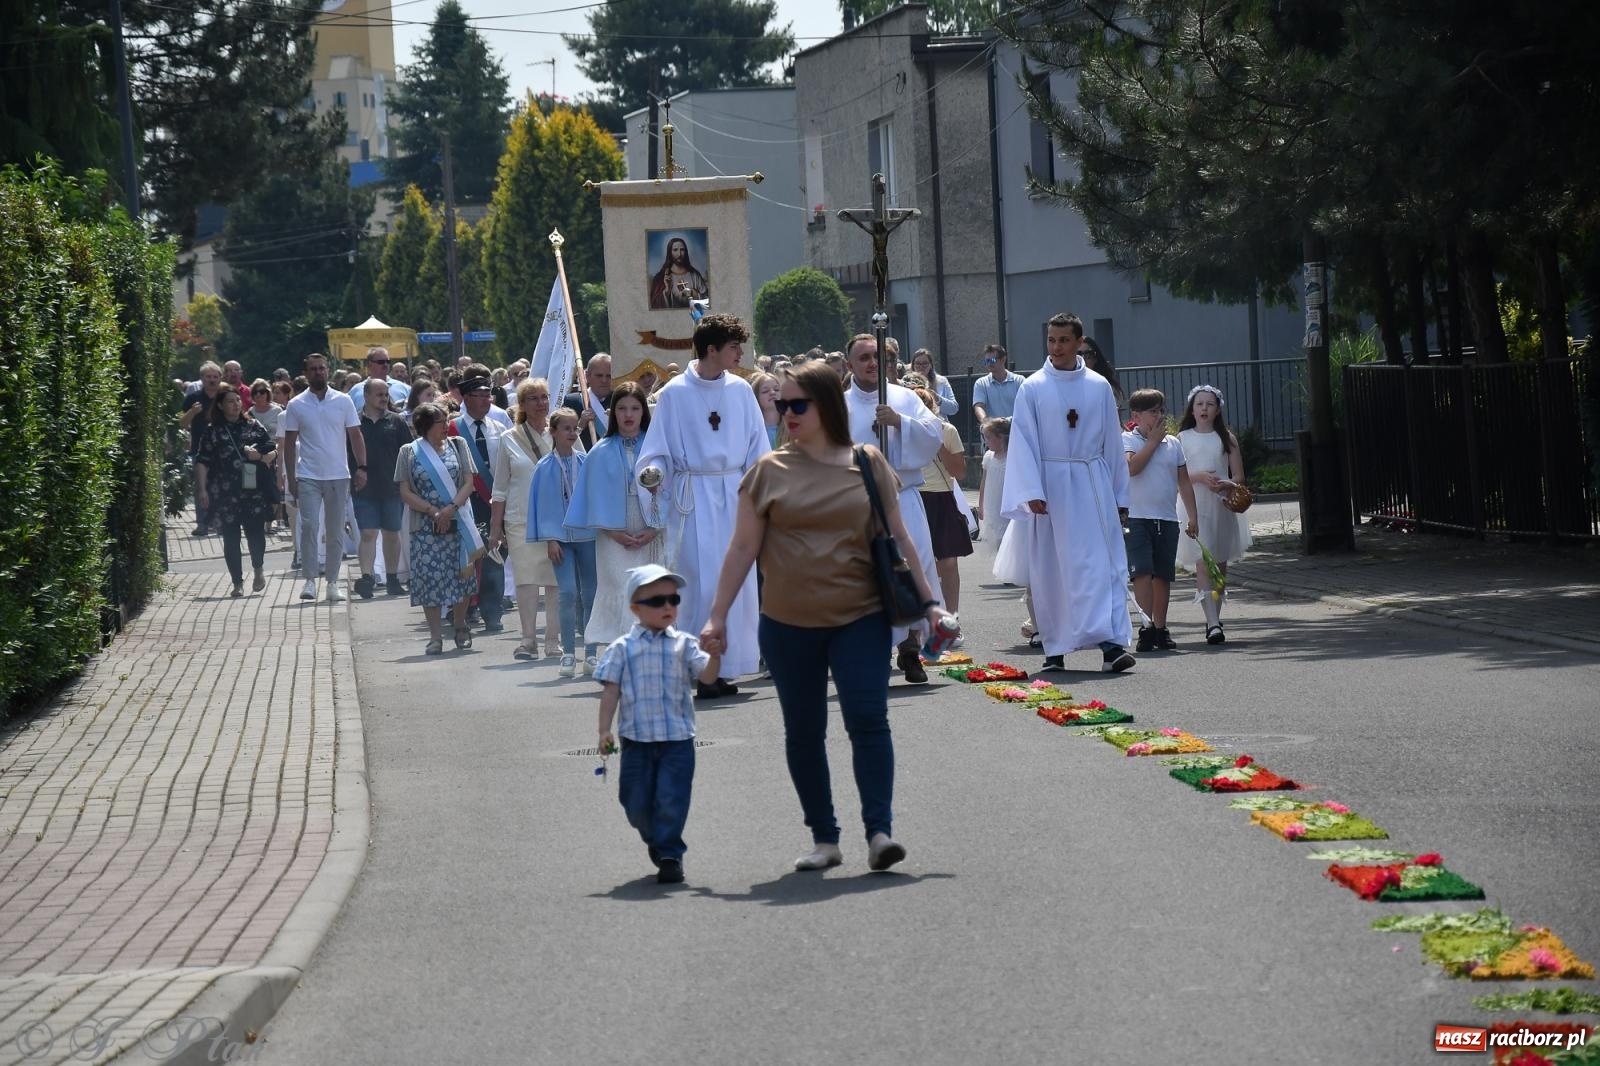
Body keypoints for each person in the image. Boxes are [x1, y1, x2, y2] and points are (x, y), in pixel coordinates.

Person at [702, 362, 951, 873]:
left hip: (859, 617)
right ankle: (825, 839)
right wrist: (717, 617)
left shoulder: (867, 461)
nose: (786, 413)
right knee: (804, 730)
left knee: (868, 719)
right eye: (781, 405)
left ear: (826, 407)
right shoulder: (767, 471)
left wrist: (930, 604)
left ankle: (880, 832)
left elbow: (901, 537)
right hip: (788, 624)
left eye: (798, 405)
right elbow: (742, 547)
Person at [635, 314, 770, 698]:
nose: (740, 353)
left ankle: (723, 669)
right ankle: (697, 668)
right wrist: (652, 476)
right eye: (733, 347)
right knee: (699, 585)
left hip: (734, 494)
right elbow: (656, 452)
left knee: (738, 586)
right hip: (692, 500)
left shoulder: (742, 391)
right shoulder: (675, 394)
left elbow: (759, 448)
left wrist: (764, 493)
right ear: (712, 349)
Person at [1002, 313, 1135, 674]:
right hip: (1050, 488)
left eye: (1063, 340)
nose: (1056, 347)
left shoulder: (1098, 386)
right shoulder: (1033, 387)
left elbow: (1111, 441)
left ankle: (1110, 646)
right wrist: (1030, 489)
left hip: (1091, 484)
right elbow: (1023, 441)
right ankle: (1055, 649)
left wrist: (1120, 497)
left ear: (1079, 342)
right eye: (1051, 340)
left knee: (1098, 566)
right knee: (1053, 570)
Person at [596, 564, 722, 885]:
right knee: (634, 801)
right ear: (635, 608)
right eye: (656, 601)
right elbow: (611, 690)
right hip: (636, 742)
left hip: (678, 740)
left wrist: (715, 656)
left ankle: (669, 853)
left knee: (672, 797)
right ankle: (656, 837)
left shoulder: (685, 644)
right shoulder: (623, 648)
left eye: (673, 600)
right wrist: (604, 731)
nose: (667, 606)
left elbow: (707, 676)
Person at [841, 334, 945, 684]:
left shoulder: (904, 398)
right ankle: (877, 651)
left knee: (914, 571)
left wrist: (901, 422)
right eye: (863, 358)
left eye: (876, 357)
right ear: (850, 364)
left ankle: (911, 649)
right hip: (859, 502)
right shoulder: (839, 405)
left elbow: (934, 434)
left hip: (904, 496)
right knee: (869, 578)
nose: (871, 363)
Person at [566, 382, 664, 669]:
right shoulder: (599, 451)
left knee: (649, 588)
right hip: (612, 533)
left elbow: (670, 490)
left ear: (644, 411)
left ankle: (652, 655)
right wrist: (613, 533)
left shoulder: (657, 448)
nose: (628, 414)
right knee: (621, 587)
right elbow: (591, 498)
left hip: (651, 526)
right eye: (622, 408)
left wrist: (655, 529)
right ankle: (625, 656)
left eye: (635, 408)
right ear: (613, 414)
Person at [395, 402, 480, 654]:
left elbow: (468, 482)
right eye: (441, 422)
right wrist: (433, 512)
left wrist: (450, 509)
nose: (446, 426)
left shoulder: (458, 445)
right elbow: (404, 491)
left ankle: (460, 623)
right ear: (426, 426)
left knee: (462, 575)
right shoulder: (408, 451)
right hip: (425, 525)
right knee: (430, 579)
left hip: (458, 519)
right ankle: (435, 637)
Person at [283, 353, 367, 603]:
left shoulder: (343, 401)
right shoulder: (296, 404)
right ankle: (309, 579)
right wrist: (291, 478)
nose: (318, 372)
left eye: (322, 368)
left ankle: (332, 582)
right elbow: (288, 444)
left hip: (338, 474)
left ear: (328, 371)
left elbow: (355, 435)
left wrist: (362, 467)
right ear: (306, 373)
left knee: (335, 530)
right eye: (313, 369)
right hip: (308, 474)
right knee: (309, 525)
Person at [489, 378, 561, 660]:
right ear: (522, 404)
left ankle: (553, 641)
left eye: (544, 397)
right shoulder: (509, 439)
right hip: (520, 520)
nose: (541, 403)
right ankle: (528, 640)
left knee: (556, 582)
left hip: (558, 520)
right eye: (534, 398)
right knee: (527, 581)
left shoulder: (563, 432)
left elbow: (580, 471)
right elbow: (499, 488)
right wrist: (495, 528)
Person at [1124, 389, 1199, 651]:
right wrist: (1152, 443)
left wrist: (1193, 515)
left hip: (1166, 517)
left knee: (1163, 575)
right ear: (1137, 415)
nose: (1159, 416)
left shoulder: (1174, 444)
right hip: (1137, 517)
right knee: (1142, 572)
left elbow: (1184, 481)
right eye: (1152, 411)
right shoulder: (1128, 440)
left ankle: (1160, 626)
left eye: (1161, 410)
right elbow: (1131, 469)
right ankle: (1145, 627)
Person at [1176, 384, 1252, 645]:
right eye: (1199, 404)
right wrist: (1197, 476)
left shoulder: (1227, 438)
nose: (1204, 408)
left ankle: (1215, 617)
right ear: (1192, 409)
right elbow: (1177, 476)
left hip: (1220, 505)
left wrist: (1225, 483)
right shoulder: (1182, 438)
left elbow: (1239, 476)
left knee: (1219, 564)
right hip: (1194, 504)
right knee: (1203, 562)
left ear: (1218, 409)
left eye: (1209, 404)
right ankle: (1211, 622)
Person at [528, 409, 598, 676]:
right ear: (553, 432)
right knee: (567, 594)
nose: (572, 433)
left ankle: (591, 654)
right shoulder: (544, 468)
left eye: (574, 428)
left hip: (588, 535)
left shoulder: (586, 462)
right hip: (561, 540)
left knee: (590, 595)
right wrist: (550, 539)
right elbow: (542, 506)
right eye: (566, 428)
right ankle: (568, 653)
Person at [194, 385, 277, 597]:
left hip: (252, 490)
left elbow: (272, 448)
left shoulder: (253, 425)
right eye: (230, 401)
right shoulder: (213, 431)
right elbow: (202, 461)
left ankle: (258, 569)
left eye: (238, 400)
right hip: (224, 492)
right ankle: (237, 582)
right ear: (220, 405)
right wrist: (202, 489)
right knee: (231, 537)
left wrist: (259, 454)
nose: (236, 404)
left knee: (255, 534)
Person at [447, 374, 508, 633]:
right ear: (466, 398)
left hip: (495, 502)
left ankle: (492, 611)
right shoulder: (452, 428)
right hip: (467, 502)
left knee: (495, 554)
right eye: (480, 395)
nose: (486, 400)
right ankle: (466, 606)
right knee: (468, 556)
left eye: (488, 395)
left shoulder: (498, 428)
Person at [913, 385, 973, 621]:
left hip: (942, 497)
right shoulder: (900, 431)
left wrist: (936, 440)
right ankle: (921, 622)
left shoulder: (947, 431)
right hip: (914, 497)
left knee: (948, 562)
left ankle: (951, 618)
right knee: (916, 562)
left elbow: (959, 471)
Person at [352, 378, 413, 599]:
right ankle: (367, 577)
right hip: (364, 488)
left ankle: (392, 578)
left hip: (391, 487)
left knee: (391, 533)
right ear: (366, 396)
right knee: (368, 532)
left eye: (386, 394)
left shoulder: (396, 422)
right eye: (379, 394)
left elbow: (408, 453)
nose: (384, 398)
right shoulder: (354, 422)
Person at [181, 361, 224, 534]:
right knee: (201, 486)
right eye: (208, 377)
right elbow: (181, 424)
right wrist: (192, 413)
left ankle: (221, 522)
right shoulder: (193, 398)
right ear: (202, 378)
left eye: (215, 377)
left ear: (220, 378)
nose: (212, 380)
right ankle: (203, 523)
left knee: (222, 485)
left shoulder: (225, 397)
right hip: (199, 451)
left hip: (222, 450)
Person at [564, 353, 615, 451]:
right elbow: (562, 442)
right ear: (587, 376)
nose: (604, 380)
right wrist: (580, 425)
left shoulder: (620, 401)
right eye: (599, 376)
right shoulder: (573, 402)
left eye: (609, 376)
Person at [648, 235, 709, 310]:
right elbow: (653, 304)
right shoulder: (660, 277)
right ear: (669, 252)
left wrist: (695, 294)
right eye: (675, 250)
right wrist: (666, 292)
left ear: (686, 252)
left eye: (682, 250)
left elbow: (707, 300)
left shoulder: (695, 275)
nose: (679, 254)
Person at [976, 417, 1011, 548]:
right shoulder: (988, 457)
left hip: (1005, 504)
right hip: (992, 505)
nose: (986, 441)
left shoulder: (1011, 457)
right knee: (996, 541)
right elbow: (983, 482)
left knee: (1007, 541)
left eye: (989, 438)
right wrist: (981, 505)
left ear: (1001, 437)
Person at [971, 343, 1021, 424]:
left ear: (1003, 359)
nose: (989, 364)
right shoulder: (981, 383)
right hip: (992, 432)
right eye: (987, 361)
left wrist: (1008, 422)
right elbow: (979, 406)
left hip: (1014, 429)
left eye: (992, 360)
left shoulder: (1019, 381)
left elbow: (1025, 406)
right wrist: (987, 423)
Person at [1080, 337, 1126, 413]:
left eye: (1088, 354)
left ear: (1096, 358)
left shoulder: (1106, 386)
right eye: (1078, 354)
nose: (1083, 359)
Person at [910, 348, 958, 417]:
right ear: (913, 366)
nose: (921, 367)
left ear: (931, 365)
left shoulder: (941, 381)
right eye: (917, 364)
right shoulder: (907, 382)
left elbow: (954, 408)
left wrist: (937, 398)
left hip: (940, 423)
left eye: (925, 363)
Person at [750, 371, 782, 449]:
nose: (772, 392)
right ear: (756, 397)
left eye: (777, 389)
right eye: (765, 391)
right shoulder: (752, 431)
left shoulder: (792, 427)